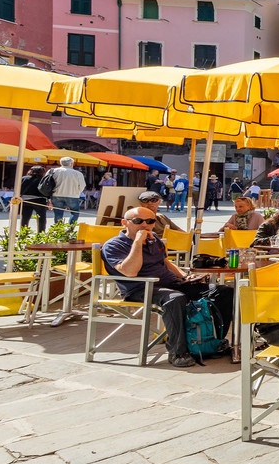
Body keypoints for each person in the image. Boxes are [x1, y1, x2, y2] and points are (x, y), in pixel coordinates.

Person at [101, 205, 209, 368]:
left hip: (171, 284)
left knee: (219, 292)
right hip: (141, 288)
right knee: (175, 299)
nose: (145, 225)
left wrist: (186, 277)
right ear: (125, 223)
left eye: (150, 221)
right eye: (138, 221)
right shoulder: (113, 245)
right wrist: (137, 241)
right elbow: (130, 272)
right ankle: (178, 352)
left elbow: (166, 262)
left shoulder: (155, 239)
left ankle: (214, 343)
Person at [47, 157, 87, 225]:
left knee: (58, 213)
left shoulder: (53, 171)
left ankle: (59, 229)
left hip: (56, 194)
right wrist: (77, 192)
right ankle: (70, 228)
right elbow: (82, 185)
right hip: (72, 195)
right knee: (74, 212)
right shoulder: (78, 173)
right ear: (71, 164)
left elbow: (47, 183)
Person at [19, 164, 50, 233]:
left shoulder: (24, 178)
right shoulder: (43, 180)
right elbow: (47, 191)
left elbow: (19, 189)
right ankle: (41, 233)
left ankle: (23, 233)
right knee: (41, 218)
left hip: (26, 201)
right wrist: (49, 200)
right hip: (40, 201)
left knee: (25, 218)